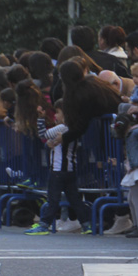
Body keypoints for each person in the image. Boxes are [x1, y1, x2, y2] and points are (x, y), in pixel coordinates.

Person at [25, 100, 93, 236]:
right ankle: (86, 225)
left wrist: (41, 119)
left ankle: (44, 225)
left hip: (57, 170)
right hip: (70, 169)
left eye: (57, 112)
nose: (55, 115)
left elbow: (43, 135)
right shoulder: (75, 129)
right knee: (75, 199)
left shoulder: (62, 128)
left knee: (52, 199)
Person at [111, 114, 138, 238]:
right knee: (131, 198)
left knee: (136, 198)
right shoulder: (132, 133)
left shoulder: (137, 132)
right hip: (134, 167)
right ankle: (136, 225)